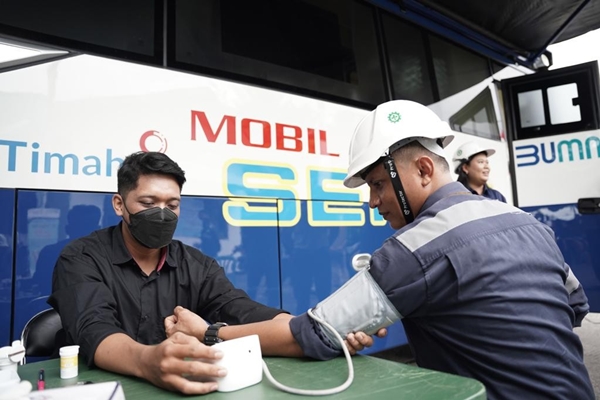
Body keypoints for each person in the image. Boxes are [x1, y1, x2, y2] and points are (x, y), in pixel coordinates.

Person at [287, 100, 594, 399]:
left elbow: (315, 333)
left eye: (378, 184)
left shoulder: (414, 249)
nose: (372, 201)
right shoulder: (527, 222)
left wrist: (236, 336)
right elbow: (575, 305)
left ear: (424, 169)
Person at [49, 151, 380, 395]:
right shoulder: (80, 258)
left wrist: (324, 334)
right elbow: (95, 330)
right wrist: (148, 360)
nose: (162, 214)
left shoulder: (196, 264)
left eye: (172, 204)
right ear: (120, 205)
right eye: (149, 203)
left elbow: (245, 311)